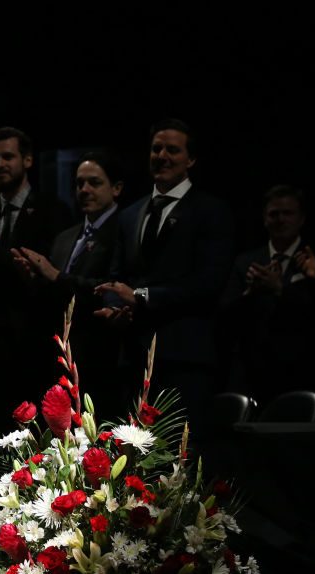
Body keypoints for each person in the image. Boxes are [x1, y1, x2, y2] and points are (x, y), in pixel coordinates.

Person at [94, 119, 234, 442]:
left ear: (191, 159)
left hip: (185, 358)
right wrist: (116, 307)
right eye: (157, 149)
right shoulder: (130, 214)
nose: (162, 155)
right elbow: (116, 279)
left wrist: (141, 296)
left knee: (183, 462)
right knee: (134, 467)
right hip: (134, 358)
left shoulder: (211, 211)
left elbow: (208, 283)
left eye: (173, 149)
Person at [0, 127, 73, 428]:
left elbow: (42, 280)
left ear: (28, 160)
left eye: (8, 156)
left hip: (33, 351)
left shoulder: (52, 211)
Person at [11, 150, 126, 417]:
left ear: (116, 188)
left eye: (94, 183)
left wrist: (54, 275)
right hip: (59, 358)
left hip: (101, 358)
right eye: (79, 183)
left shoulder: (124, 229)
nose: (84, 190)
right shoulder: (66, 236)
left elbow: (110, 288)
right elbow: (53, 293)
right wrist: (33, 279)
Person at [218, 184, 315, 400]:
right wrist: (250, 293)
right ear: (264, 218)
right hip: (251, 373)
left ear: (301, 218)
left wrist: (280, 290)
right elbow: (223, 317)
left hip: (302, 372)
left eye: (288, 213)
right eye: (274, 214)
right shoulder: (246, 262)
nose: (280, 219)